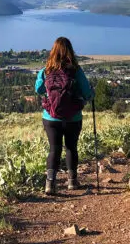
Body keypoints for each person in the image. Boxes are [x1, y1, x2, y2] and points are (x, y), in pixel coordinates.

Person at [35, 37, 93, 195]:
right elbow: (87, 93)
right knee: (71, 148)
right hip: (73, 117)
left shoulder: (46, 70)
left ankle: (50, 184)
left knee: (54, 149)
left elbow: (38, 89)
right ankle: (72, 181)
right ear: (70, 51)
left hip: (50, 117)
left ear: (53, 51)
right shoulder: (75, 70)